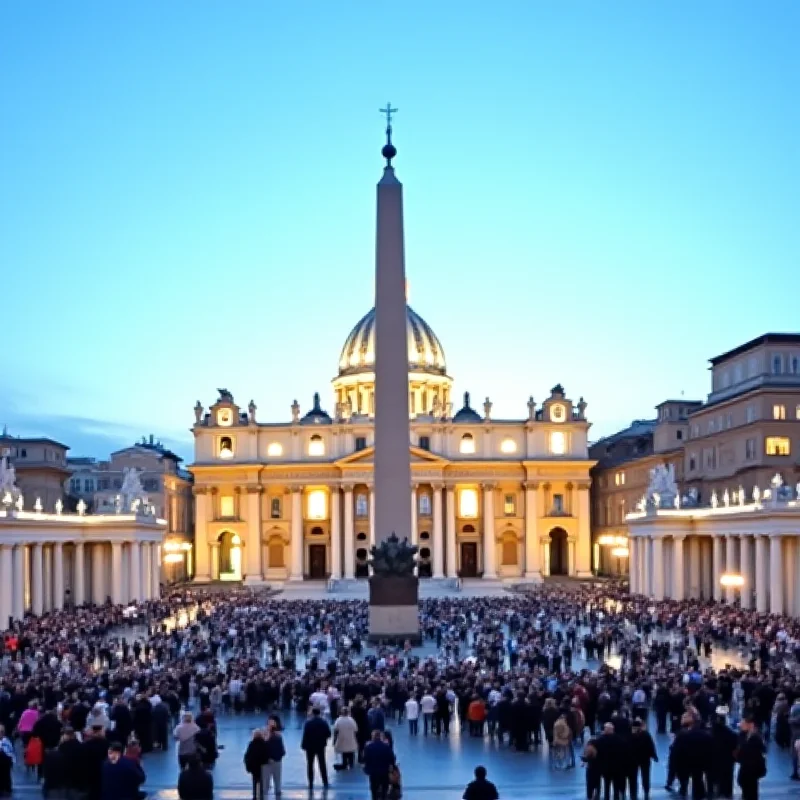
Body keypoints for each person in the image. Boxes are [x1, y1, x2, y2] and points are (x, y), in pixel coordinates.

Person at [736, 715, 766, 800]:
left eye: (743, 723)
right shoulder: (743, 735)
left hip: (752, 769)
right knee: (746, 789)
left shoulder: (756, 738)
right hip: (745, 768)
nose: (741, 725)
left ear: (751, 725)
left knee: (751, 792)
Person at [301, 707, 331, 790]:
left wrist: (303, 745)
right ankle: (325, 781)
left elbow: (305, 734)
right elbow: (328, 734)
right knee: (322, 763)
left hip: (310, 746)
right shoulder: (323, 722)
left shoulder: (308, 723)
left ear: (312, 713)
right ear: (319, 713)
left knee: (310, 764)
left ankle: (310, 782)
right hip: (320, 746)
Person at [710, 708, 738, 799]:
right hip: (728, 764)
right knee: (727, 783)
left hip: (713, 763)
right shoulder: (732, 735)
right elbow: (736, 749)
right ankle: (727, 794)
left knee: (714, 784)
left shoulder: (710, 734)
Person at [628, 718, 657, 800]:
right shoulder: (646, 734)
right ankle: (646, 792)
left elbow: (627, 747)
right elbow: (651, 746)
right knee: (645, 776)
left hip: (633, 760)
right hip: (645, 759)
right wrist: (654, 756)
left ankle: (633, 794)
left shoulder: (630, 735)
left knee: (633, 778)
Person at [363, 729, 394, 800]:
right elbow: (391, 758)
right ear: (380, 737)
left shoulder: (368, 747)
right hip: (384, 771)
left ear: (373, 737)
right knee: (384, 789)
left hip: (373, 772)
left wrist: (366, 768)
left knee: (374, 789)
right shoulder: (386, 747)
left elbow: (365, 759)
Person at [262, 718, 285, 798]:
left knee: (266, 782)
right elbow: (282, 751)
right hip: (275, 761)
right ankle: (277, 794)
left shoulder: (264, 736)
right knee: (276, 780)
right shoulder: (278, 736)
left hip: (267, 762)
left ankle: (266, 795)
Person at [244, 729, 268, 800]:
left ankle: (254, 796)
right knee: (261, 782)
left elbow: (247, 756)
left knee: (254, 782)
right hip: (262, 767)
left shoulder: (251, 744)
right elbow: (266, 755)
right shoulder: (264, 744)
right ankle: (261, 796)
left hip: (254, 767)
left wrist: (248, 766)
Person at [333, 706, 359, 770]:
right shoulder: (351, 720)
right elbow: (356, 730)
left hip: (342, 739)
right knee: (351, 752)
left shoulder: (338, 720)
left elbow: (336, 731)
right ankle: (351, 764)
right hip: (351, 739)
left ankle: (344, 764)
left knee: (344, 753)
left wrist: (334, 740)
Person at [0, 725, 14, 798]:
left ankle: (6, 788)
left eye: (2, 732)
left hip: (5, 762)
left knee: (6, 775)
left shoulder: (7, 741)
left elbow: (10, 752)